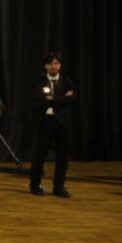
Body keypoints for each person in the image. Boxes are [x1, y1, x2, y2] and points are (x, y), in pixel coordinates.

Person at [29, 53, 76, 198]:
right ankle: (35, 185)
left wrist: (52, 99)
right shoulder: (39, 81)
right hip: (45, 121)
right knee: (40, 154)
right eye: (50, 64)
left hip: (63, 122)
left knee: (63, 156)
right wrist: (61, 99)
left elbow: (71, 100)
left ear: (60, 65)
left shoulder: (67, 82)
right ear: (45, 66)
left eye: (56, 63)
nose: (53, 66)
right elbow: (40, 99)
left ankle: (59, 187)